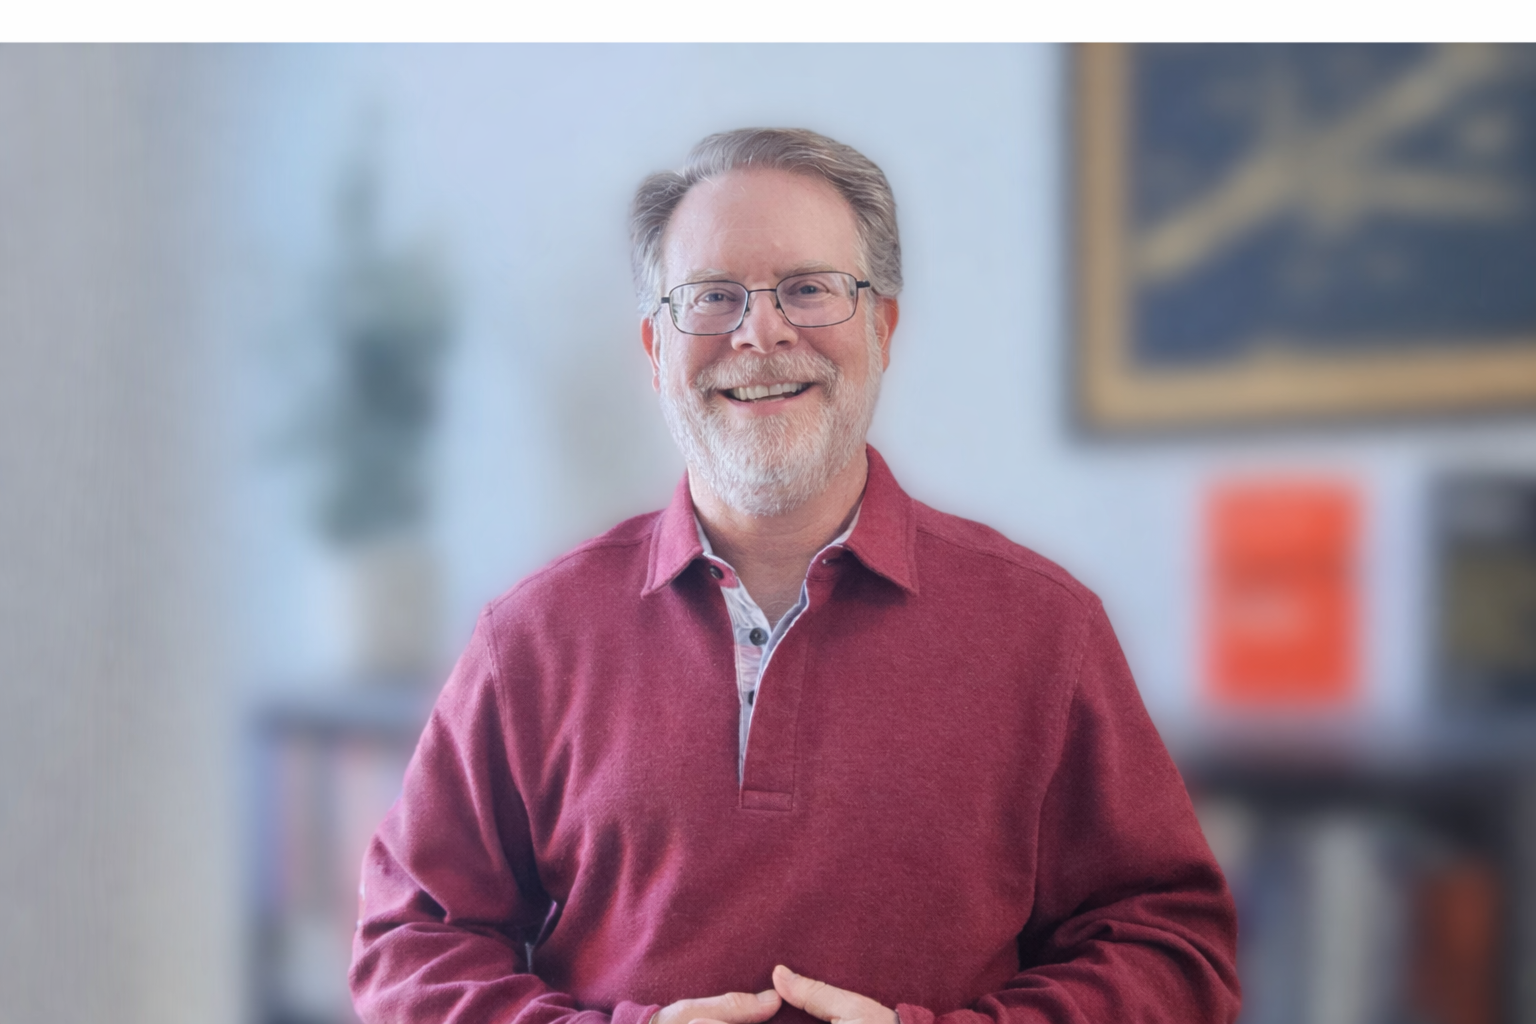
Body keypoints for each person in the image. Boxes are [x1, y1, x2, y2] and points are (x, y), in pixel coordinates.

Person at [350, 128, 1241, 1024]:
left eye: (809, 290)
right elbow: (409, 945)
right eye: (712, 296)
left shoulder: (1048, 629)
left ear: (883, 329)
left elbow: (1174, 947)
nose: (761, 330)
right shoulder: (531, 638)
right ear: (656, 351)